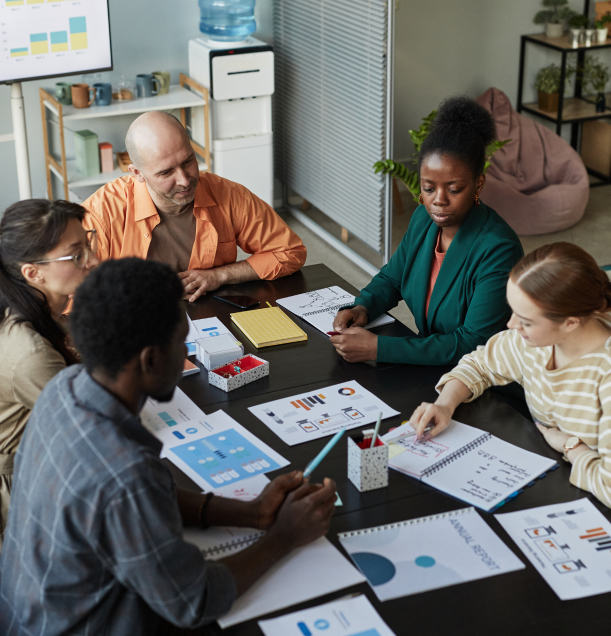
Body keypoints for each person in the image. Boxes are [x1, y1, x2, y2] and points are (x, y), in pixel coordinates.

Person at [0, 258, 337, 635]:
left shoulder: (66, 389)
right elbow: (192, 601)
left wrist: (253, 513)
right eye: (182, 342)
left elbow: (144, 498)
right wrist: (283, 537)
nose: (187, 353)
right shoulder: (125, 474)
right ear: (150, 358)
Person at [409, 243, 611, 508]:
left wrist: (570, 446)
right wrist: (444, 405)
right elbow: (480, 363)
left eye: (526, 321)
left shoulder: (604, 375)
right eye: (513, 310)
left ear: (570, 322)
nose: (511, 325)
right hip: (553, 480)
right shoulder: (533, 342)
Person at [331, 96, 523, 365]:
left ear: (478, 184)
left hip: (480, 378)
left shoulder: (498, 249)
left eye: (454, 189)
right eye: (429, 188)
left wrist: (380, 348)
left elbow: (472, 343)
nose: (438, 200)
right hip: (430, 365)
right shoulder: (424, 218)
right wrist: (363, 307)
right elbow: (394, 278)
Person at [81, 111, 306, 302]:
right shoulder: (101, 214)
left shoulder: (229, 195)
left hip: (209, 313)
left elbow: (289, 252)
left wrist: (219, 276)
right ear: (137, 173)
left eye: (188, 161)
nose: (184, 180)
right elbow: (72, 296)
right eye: (166, 172)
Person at [0, 199, 98, 551]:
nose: (93, 260)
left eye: (88, 244)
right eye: (76, 255)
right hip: (26, 487)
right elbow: (92, 431)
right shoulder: (30, 353)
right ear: (33, 273)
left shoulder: (37, 307)